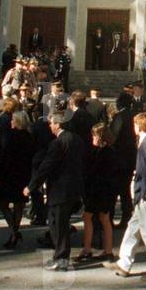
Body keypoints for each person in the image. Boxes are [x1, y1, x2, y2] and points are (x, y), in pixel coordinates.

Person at [110, 111, 146, 281]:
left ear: (138, 126)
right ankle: (124, 262)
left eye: (135, 125)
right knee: (132, 229)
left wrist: (142, 193)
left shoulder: (145, 144)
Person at [25, 111, 85, 272]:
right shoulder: (77, 140)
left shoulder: (57, 143)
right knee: (61, 223)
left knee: (57, 224)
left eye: (52, 123)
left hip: (60, 189)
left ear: (58, 124)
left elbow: (47, 166)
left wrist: (31, 185)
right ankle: (61, 255)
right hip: (74, 188)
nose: (50, 126)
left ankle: (61, 258)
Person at [78, 123, 120, 262]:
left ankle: (87, 249)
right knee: (105, 218)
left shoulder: (101, 153)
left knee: (88, 216)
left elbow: (95, 172)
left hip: (98, 190)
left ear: (100, 137)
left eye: (95, 135)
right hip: (107, 190)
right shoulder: (111, 151)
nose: (93, 138)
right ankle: (108, 250)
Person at [0, 110, 34, 250]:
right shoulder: (29, 137)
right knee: (19, 205)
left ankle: (14, 231)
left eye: (13, 120)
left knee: (3, 203)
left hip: (9, 174)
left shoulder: (9, 136)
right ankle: (14, 232)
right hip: (23, 174)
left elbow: (3, 156)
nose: (11, 122)